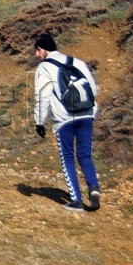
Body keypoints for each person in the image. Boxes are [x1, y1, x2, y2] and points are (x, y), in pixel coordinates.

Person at [34, 32, 101, 212]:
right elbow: (93, 88)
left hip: (64, 118)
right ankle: (94, 189)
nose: (36, 55)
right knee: (85, 154)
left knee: (68, 158)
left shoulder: (44, 68)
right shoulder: (77, 62)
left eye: (37, 50)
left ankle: (76, 200)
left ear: (44, 49)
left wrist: (39, 122)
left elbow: (43, 96)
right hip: (86, 114)